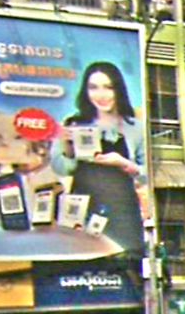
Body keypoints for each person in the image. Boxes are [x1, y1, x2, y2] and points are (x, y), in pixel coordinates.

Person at [51, 61, 145, 254]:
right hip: (82, 211)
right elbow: (60, 168)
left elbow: (149, 173)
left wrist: (124, 163)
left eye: (108, 87)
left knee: (126, 259)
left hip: (123, 214)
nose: (101, 95)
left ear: (118, 90)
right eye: (93, 88)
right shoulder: (72, 123)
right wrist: (68, 149)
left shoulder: (136, 128)